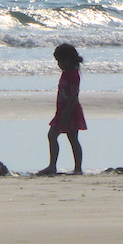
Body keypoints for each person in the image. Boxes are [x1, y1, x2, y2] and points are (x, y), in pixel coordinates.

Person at [38, 43, 86, 175]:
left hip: (70, 111)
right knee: (52, 136)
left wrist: (67, 112)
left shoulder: (73, 74)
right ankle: (52, 166)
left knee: (71, 138)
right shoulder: (65, 73)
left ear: (69, 59)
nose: (59, 64)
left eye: (60, 60)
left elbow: (74, 95)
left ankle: (77, 168)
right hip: (62, 111)